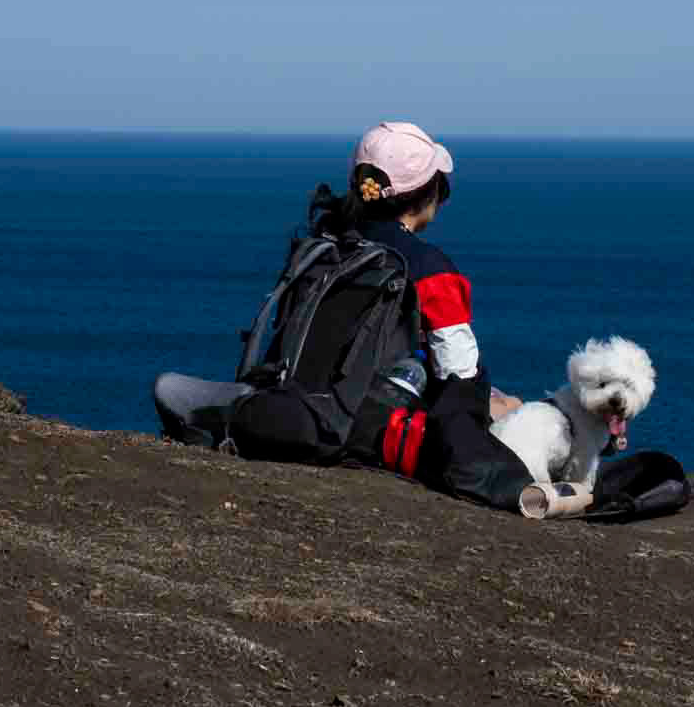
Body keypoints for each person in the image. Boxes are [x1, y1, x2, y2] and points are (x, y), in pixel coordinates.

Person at [151, 122, 521, 459]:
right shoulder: (427, 267)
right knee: (513, 409)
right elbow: (460, 373)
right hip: (371, 421)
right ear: (429, 193)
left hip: (294, 397)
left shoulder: (325, 243)